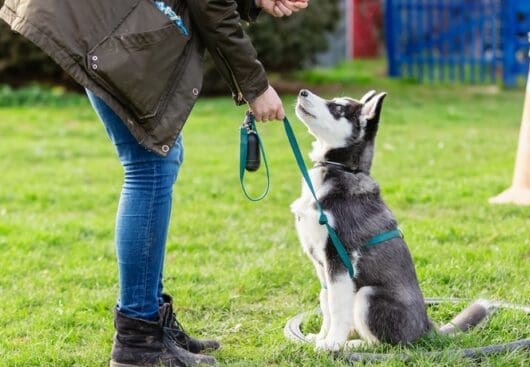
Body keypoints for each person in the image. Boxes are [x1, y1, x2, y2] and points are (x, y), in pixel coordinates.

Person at [0, 0, 308, 365]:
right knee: (148, 166)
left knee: (160, 158)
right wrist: (255, 86)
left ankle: (150, 321)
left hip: (99, 18)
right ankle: (138, 340)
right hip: (97, 21)